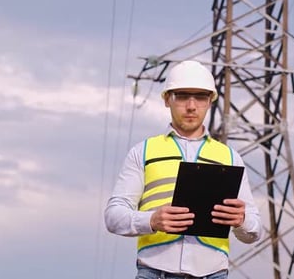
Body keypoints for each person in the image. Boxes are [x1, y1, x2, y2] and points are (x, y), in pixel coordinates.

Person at [104, 60, 262, 279]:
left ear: (210, 101)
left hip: (214, 273)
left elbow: (255, 232)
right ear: (168, 99)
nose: (191, 106)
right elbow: (113, 216)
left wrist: (241, 220)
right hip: (154, 272)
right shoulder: (143, 152)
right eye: (182, 96)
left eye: (200, 97)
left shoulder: (230, 158)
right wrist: (151, 220)